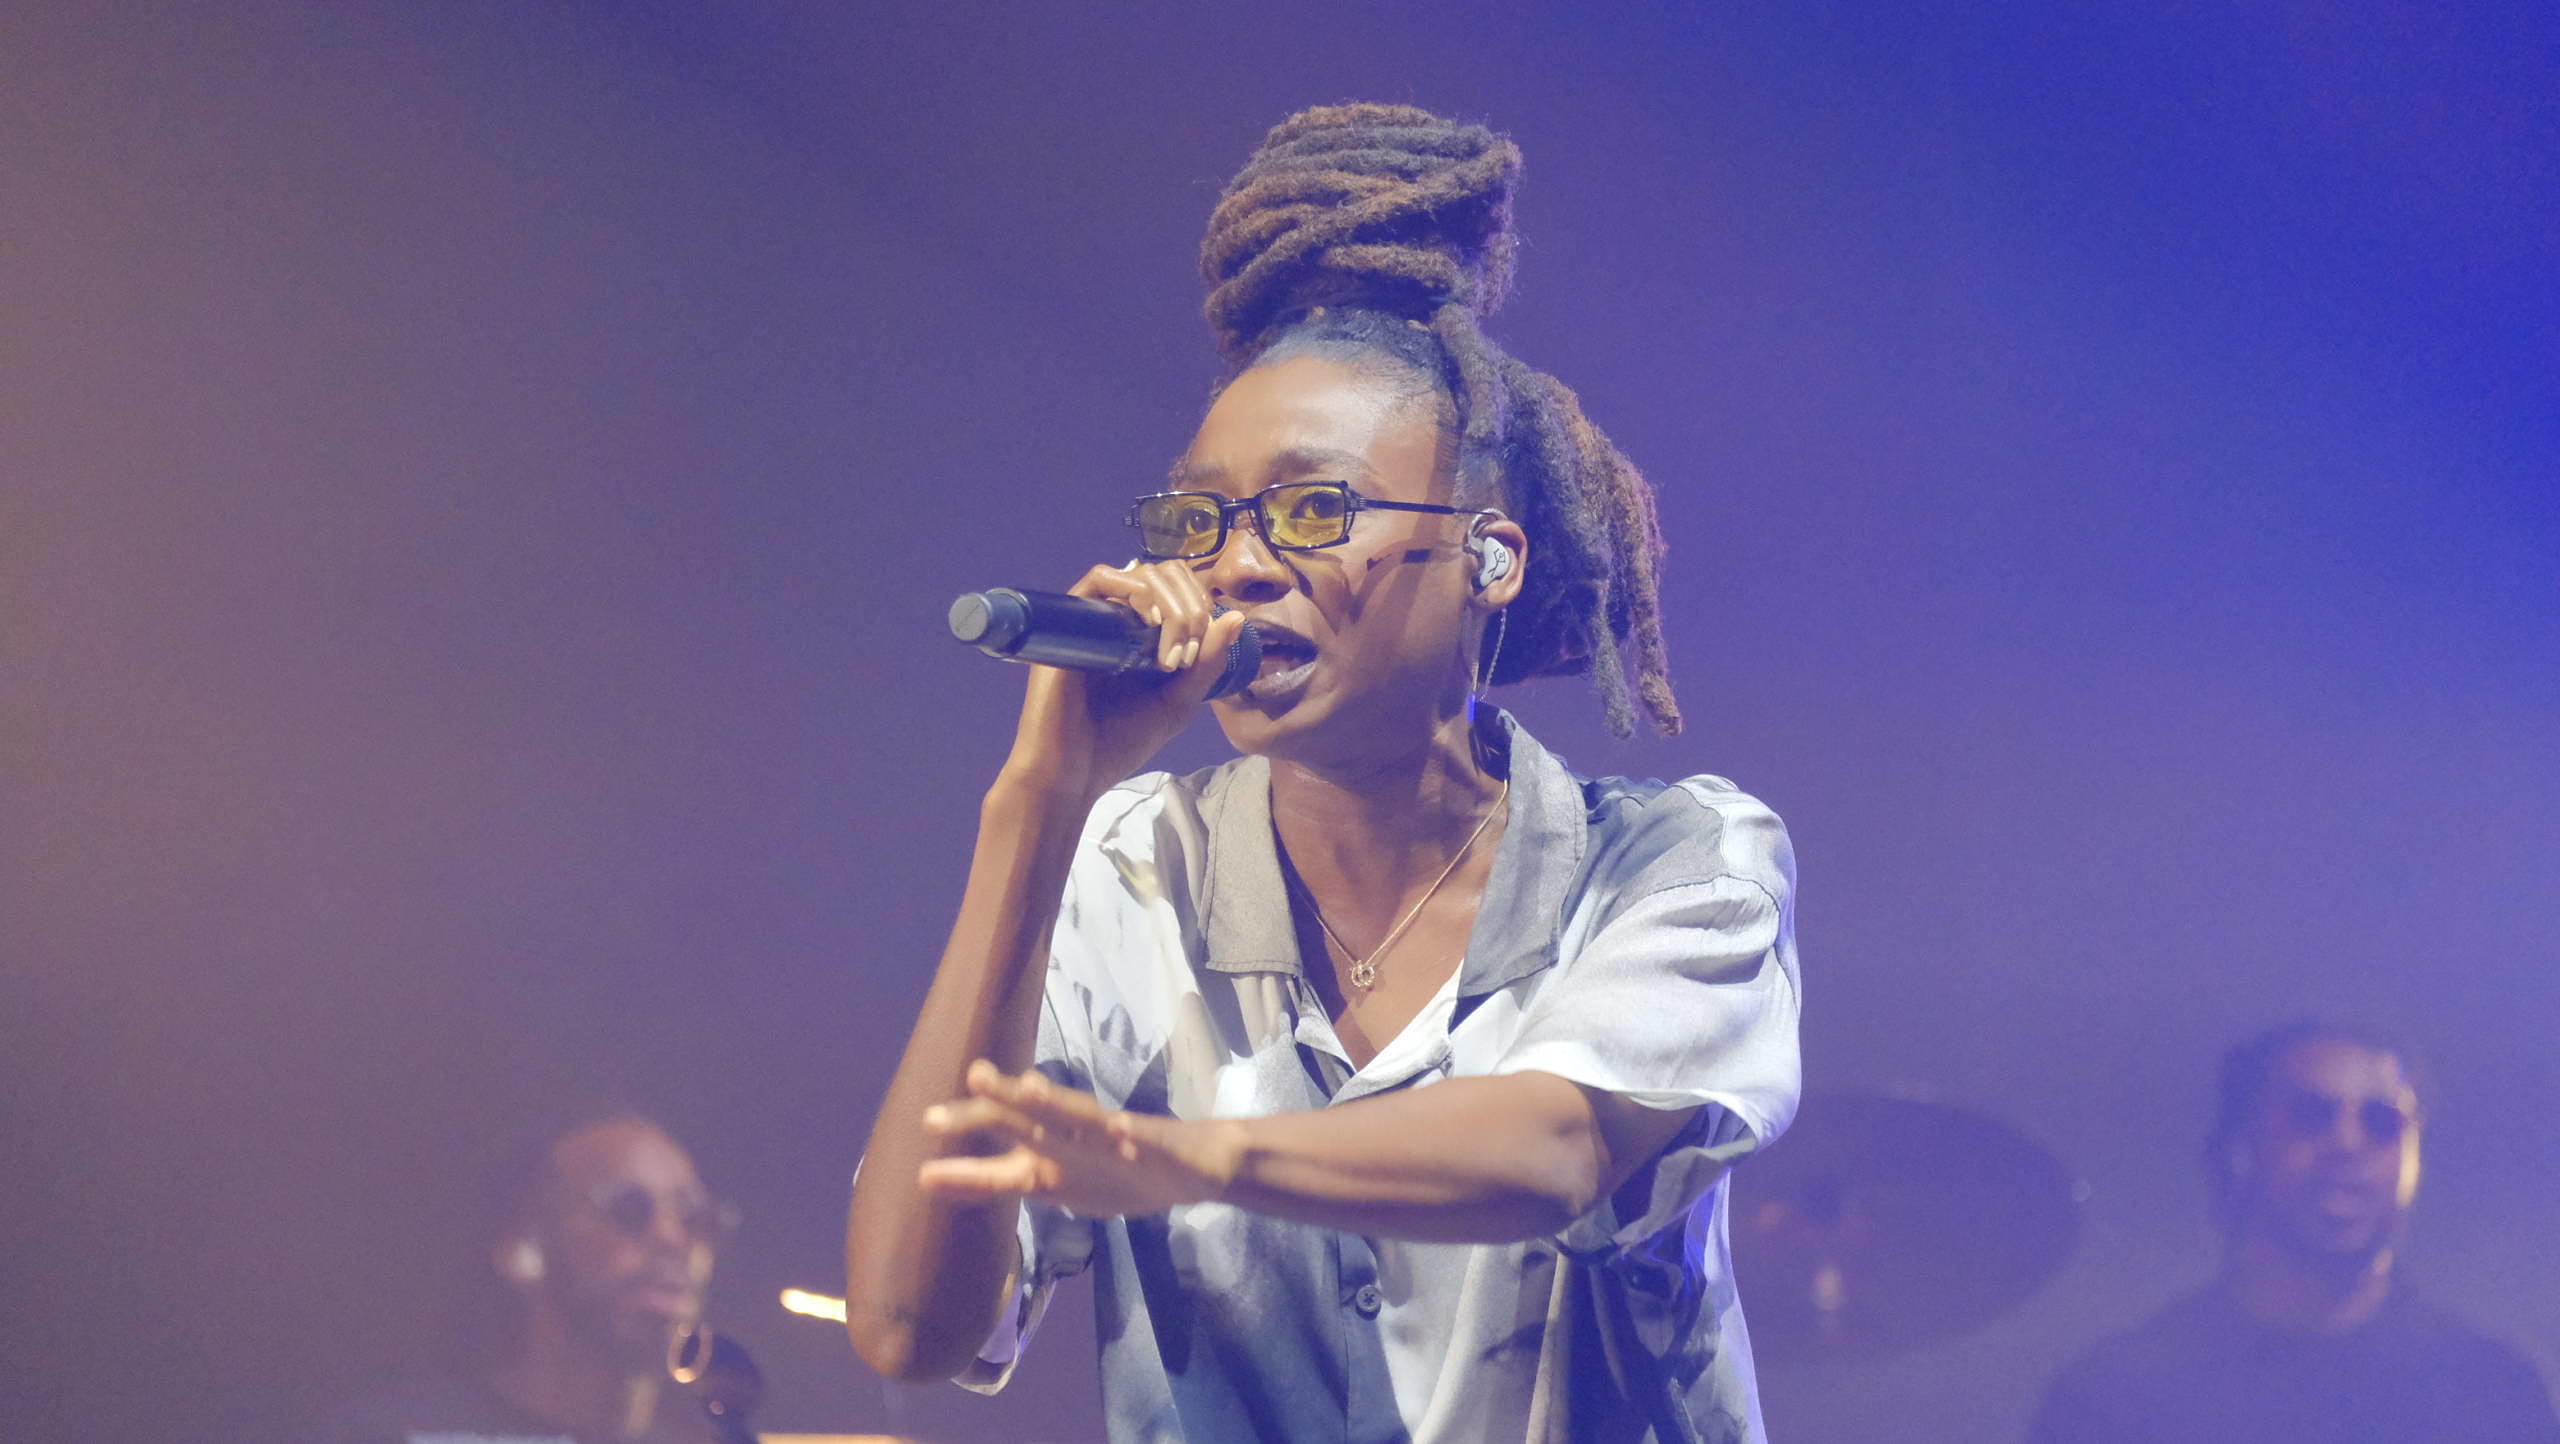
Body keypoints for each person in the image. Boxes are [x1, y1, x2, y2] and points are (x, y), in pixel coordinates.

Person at [844, 103, 1801, 1444]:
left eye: (1313, 508)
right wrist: (1037, 807)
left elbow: (1556, 1149)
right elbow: (908, 1328)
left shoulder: (1678, 865)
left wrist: (1196, 1159)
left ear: (1489, 556)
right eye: (1203, 517)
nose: (1238, 563)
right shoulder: (1132, 866)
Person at [2025, 1021, 2559, 1443]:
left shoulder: (2491, 1394)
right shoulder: (2118, 1398)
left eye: (2381, 1122)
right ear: (2241, 1150)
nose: (2347, 1144)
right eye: (2311, 1115)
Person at [318, 1109, 741, 1444]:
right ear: (524, 1252)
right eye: (628, 1208)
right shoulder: (400, 1435)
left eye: (695, 1217)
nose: (672, 1238)